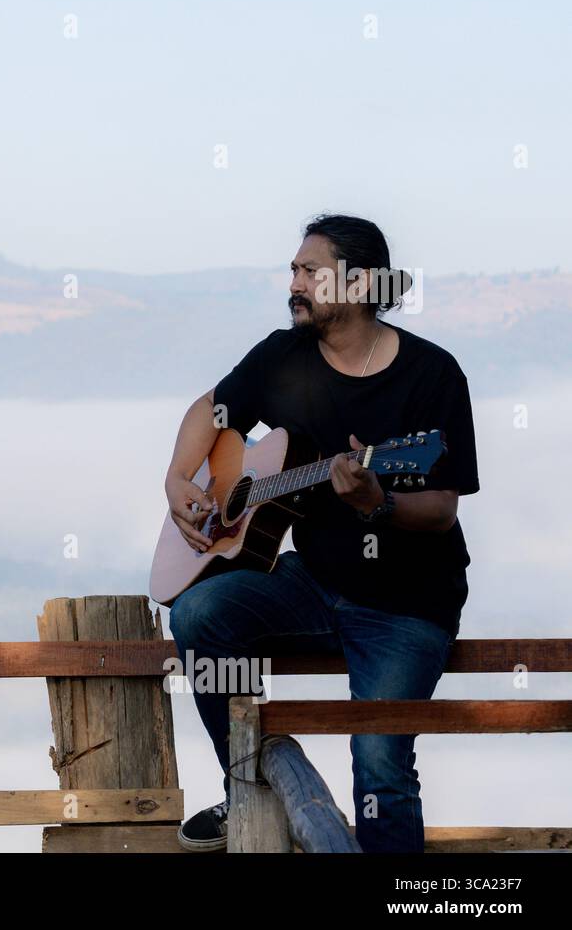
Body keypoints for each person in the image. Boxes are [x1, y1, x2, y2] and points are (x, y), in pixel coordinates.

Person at [163, 214, 480, 852]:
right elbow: (211, 409)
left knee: (381, 767)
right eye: (294, 269)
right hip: (315, 581)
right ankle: (245, 785)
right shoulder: (281, 357)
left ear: (359, 285)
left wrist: (379, 502)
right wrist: (177, 482)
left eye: (311, 271)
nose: (295, 282)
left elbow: (443, 506)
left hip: (406, 603)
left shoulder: (432, 375)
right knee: (199, 613)